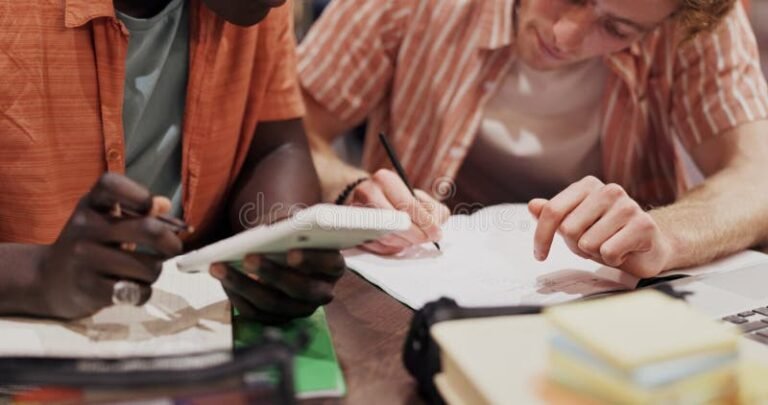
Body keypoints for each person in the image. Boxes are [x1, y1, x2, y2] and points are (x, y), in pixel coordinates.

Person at [299, 0, 768, 278]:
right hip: (424, 282)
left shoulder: (688, 19)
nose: (566, 35)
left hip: (609, 297)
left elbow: (757, 176)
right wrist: (347, 187)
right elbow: (294, 134)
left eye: (617, 29)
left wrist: (667, 235)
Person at [0, 0, 344, 323]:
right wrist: (38, 274)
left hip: (187, 329)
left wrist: (275, 244)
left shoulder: (251, 8)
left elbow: (277, 148)